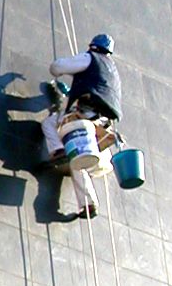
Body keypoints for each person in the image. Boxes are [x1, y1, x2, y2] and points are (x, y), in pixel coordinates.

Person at [41, 34, 122, 219]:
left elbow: (57, 67)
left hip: (84, 117)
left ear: (93, 46)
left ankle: (58, 150)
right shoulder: (112, 71)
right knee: (79, 157)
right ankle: (88, 204)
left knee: (49, 124)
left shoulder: (90, 58)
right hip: (101, 125)